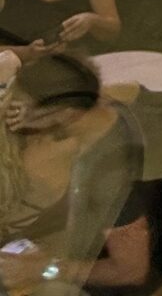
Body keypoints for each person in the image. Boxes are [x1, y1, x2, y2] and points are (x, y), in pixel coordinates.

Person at [0, 52, 148, 291]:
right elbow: (128, 89)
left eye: (26, 115)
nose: (18, 119)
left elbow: (130, 269)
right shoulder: (88, 104)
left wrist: (45, 269)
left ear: (65, 114)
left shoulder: (113, 176)